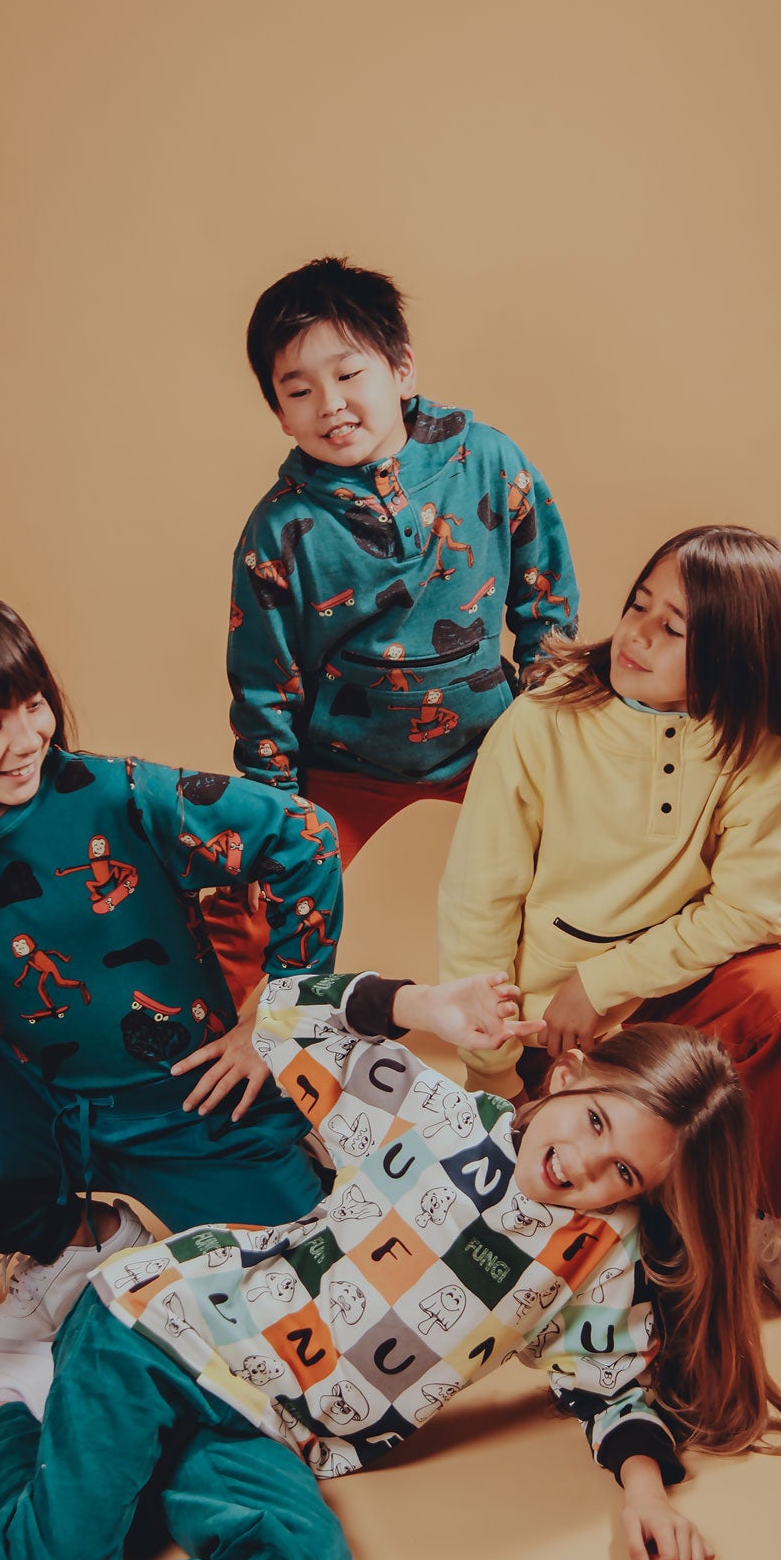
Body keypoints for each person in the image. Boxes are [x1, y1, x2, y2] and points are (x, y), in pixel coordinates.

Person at [0, 968, 781, 1560]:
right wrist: (422, 1007)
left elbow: (605, 1381)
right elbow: (285, 1017)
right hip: (163, 1327)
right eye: (595, 1125)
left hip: (271, 1424)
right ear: (569, 1077)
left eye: (624, 1173)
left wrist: (644, 1491)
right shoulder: (437, 1118)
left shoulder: (596, 1254)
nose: (584, 1170)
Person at [0, 579, 343, 1395]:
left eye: (31, 706)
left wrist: (276, 1018)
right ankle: (77, 1238)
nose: (25, 739)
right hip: (43, 1107)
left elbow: (302, 834)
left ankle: (286, 1161)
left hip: (194, 1107)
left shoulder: (120, 795)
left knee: (315, 1314)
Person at [438, 526, 781, 1319]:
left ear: (739, 656)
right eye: (637, 605)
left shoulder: (761, 750)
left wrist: (603, 983)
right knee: (569, 1238)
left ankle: (768, 1215)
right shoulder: (541, 721)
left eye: (673, 629)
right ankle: (650, 1202)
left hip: (669, 1015)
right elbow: (478, 897)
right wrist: (487, 1064)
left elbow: (752, 908)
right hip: (548, 1037)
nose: (634, 634)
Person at [203, 257, 577, 1004]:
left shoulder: (487, 459)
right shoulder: (279, 532)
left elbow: (544, 599)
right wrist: (274, 809)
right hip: (344, 764)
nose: (329, 405)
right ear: (279, 414)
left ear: (402, 370)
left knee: (570, 882)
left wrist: (544, 722)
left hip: (489, 747)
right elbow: (263, 686)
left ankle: (558, 1067)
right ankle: (222, 1052)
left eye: (348, 375)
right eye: (298, 390)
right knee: (240, 902)